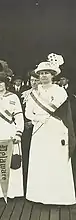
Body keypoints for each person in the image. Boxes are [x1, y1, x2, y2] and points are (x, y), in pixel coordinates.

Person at [25, 61, 76, 205]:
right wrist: (38, 118)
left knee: (55, 161)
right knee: (40, 161)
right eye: (41, 73)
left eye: (46, 73)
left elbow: (52, 108)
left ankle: (58, 197)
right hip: (40, 129)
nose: (43, 76)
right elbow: (28, 112)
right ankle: (38, 196)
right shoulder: (33, 92)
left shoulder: (60, 91)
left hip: (56, 128)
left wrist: (43, 116)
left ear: (53, 75)